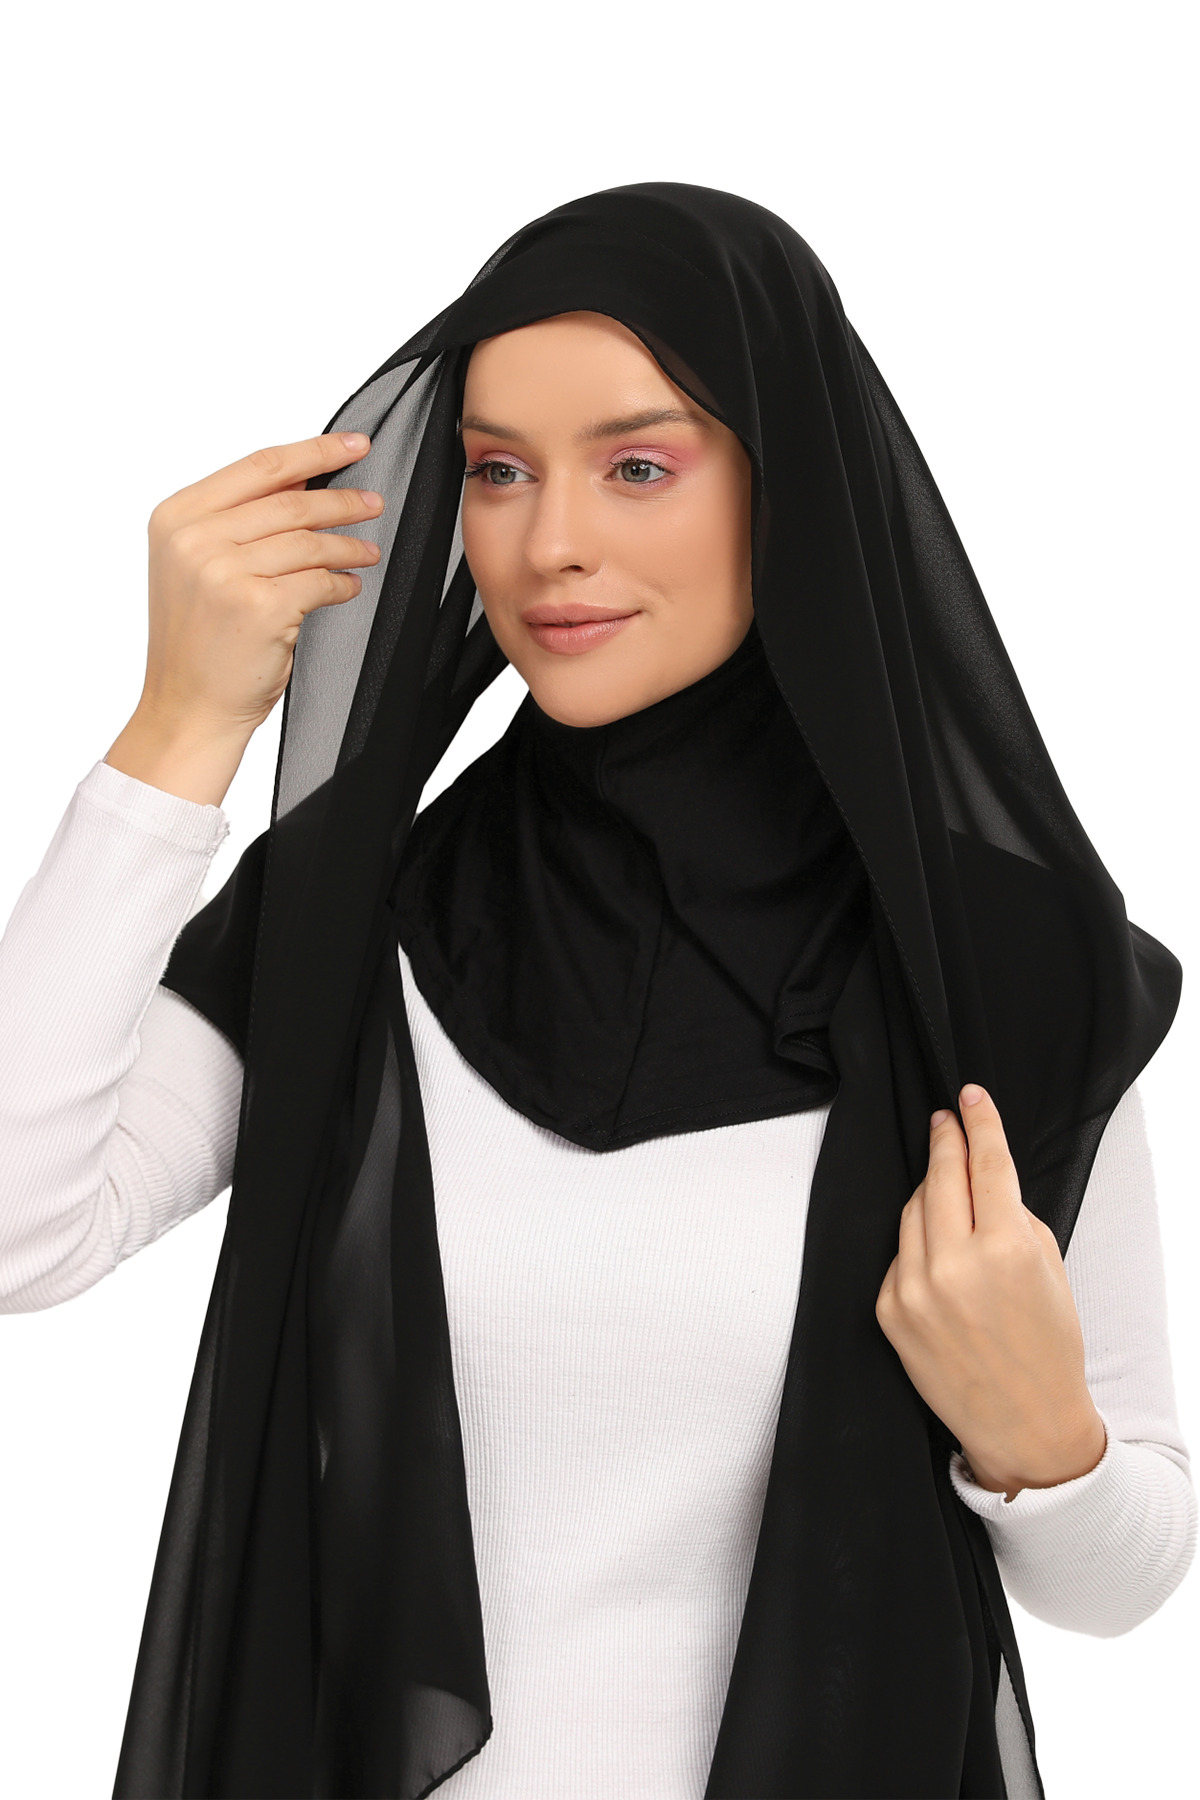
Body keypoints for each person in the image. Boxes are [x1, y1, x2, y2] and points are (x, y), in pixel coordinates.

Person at [0, 184, 1193, 1800]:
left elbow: (1122, 1584)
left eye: (638, 466)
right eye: (498, 470)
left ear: (785, 485)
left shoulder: (996, 966)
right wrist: (180, 731)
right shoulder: (357, 914)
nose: (547, 542)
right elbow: (18, 1232)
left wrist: (1037, 1434)